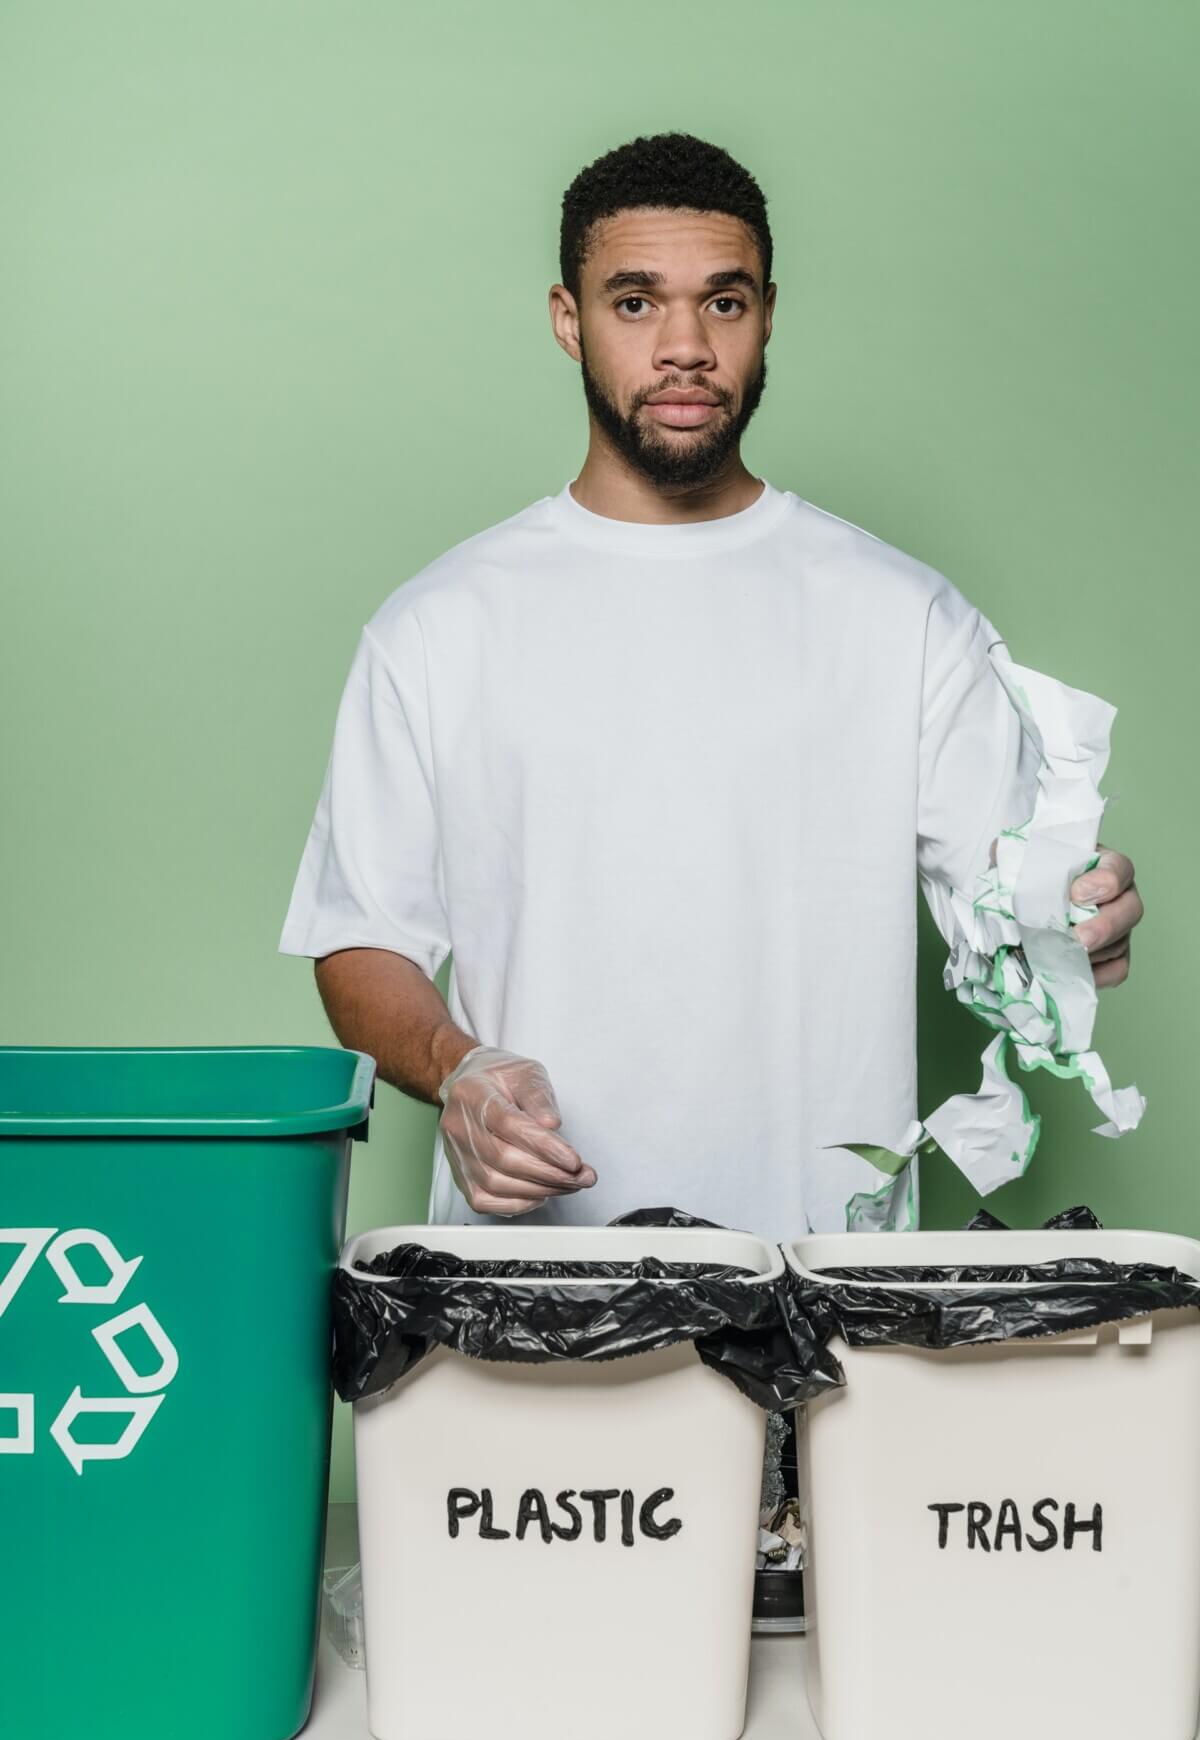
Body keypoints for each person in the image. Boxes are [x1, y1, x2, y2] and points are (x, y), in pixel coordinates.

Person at [278, 132, 1143, 1237]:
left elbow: (1016, 914)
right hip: (537, 1291)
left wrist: (1078, 921)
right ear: (566, 318)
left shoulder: (905, 617)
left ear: (767, 315)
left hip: (826, 1296)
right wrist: (459, 1069)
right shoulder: (438, 627)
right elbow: (363, 940)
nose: (684, 347)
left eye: (723, 304)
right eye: (635, 304)